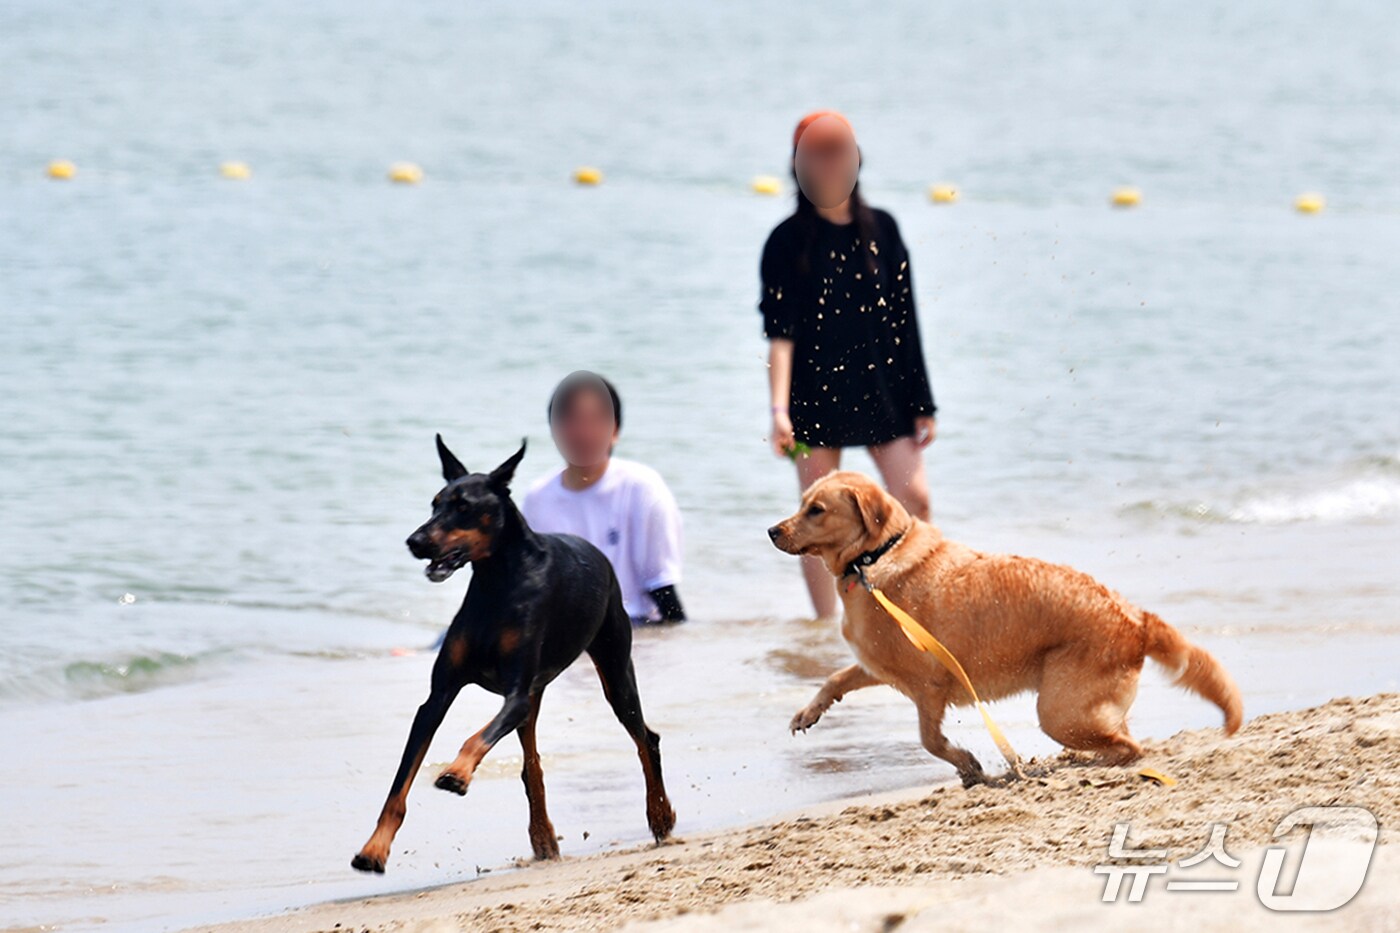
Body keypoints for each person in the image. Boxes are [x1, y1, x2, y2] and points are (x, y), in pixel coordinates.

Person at [759, 110, 938, 620]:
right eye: (815, 153)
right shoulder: (785, 241)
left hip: (884, 389)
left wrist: (922, 401)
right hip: (812, 396)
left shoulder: (884, 228)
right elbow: (780, 335)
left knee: (917, 501)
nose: (828, 163)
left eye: (838, 151)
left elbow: (905, 319)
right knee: (812, 527)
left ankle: (913, 609)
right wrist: (777, 410)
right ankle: (826, 630)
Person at [520, 371, 687, 625]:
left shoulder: (643, 489)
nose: (583, 432)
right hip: (564, 636)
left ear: (615, 431)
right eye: (571, 420)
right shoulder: (538, 497)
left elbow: (664, 591)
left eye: (595, 420)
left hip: (633, 625)